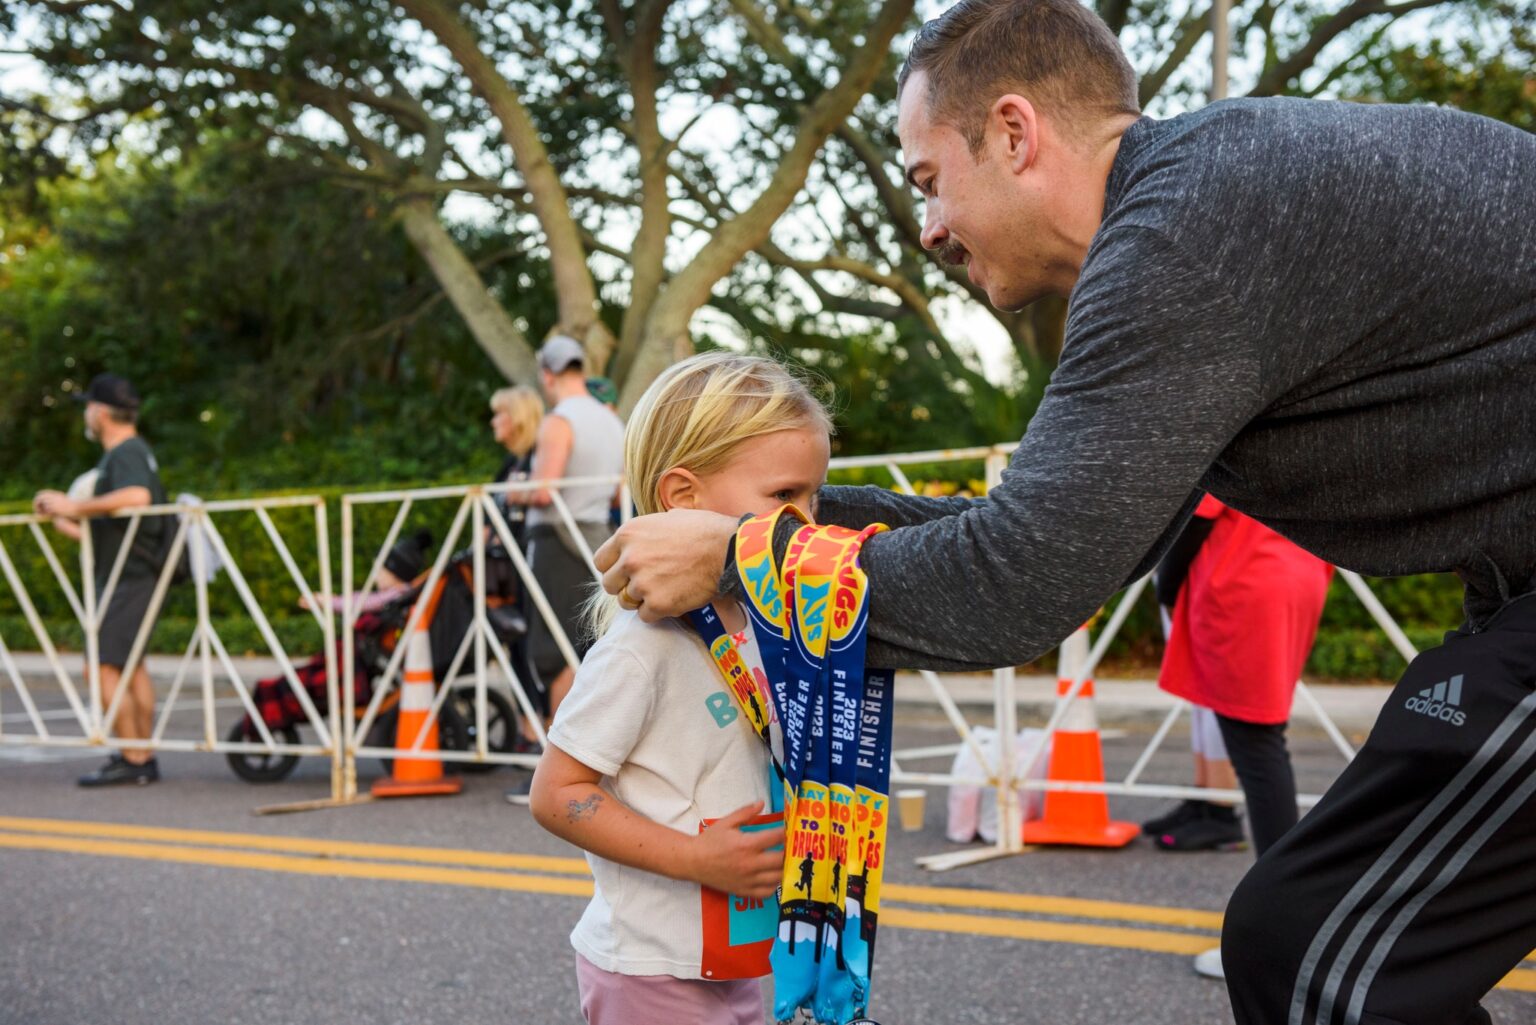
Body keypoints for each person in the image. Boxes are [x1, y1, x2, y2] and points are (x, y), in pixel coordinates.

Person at [592, 1, 1536, 1020]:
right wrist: (784, 522)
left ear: (1013, 133)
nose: (929, 228)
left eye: (929, 180)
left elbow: (1017, 580)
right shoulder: (1205, 206)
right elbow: (1076, 535)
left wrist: (742, 551)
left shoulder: (1182, 241)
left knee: (1310, 950)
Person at [529, 351, 830, 1025]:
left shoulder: (764, 618)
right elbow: (556, 794)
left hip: (734, 952)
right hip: (650, 969)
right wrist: (697, 857)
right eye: (784, 497)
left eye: (814, 496)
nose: (806, 523)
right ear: (683, 498)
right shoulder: (642, 647)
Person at [1145, 497, 1333, 980]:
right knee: (1261, 745)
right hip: (1299, 572)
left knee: (1258, 749)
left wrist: (1167, 587)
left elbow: (1197, 516)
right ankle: (1287, 929)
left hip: (1244, 579)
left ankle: (1279, 939)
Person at [34, 373, 169, 787]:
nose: (86, 415)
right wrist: (66, 518)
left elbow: (137, 497)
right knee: (131, 667)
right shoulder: (133, 452)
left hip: (129, 579)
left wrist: (75, 505)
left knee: (104, 668)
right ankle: (142, 754)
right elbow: (118, 529)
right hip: (133, 574)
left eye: (89, 407)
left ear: (101, 412)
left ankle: (133, 757)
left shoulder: (126, 452)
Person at [507, 335, 624, 722]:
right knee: (593, 642)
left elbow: (544, 492)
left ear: (547, 375)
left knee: (556, 650)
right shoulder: (611, 420)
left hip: (557, 539)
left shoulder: (559, 421)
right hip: (599, 538)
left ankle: (561, 749)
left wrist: (512, 492)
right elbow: (617, 492)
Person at [488, 385, 544, 552]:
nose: (493, 422)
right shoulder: (511, 461)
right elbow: (487, 518)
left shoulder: (538, 459)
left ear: (518, 416)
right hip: (502, 554)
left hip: (524, 552)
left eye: (498, 414)